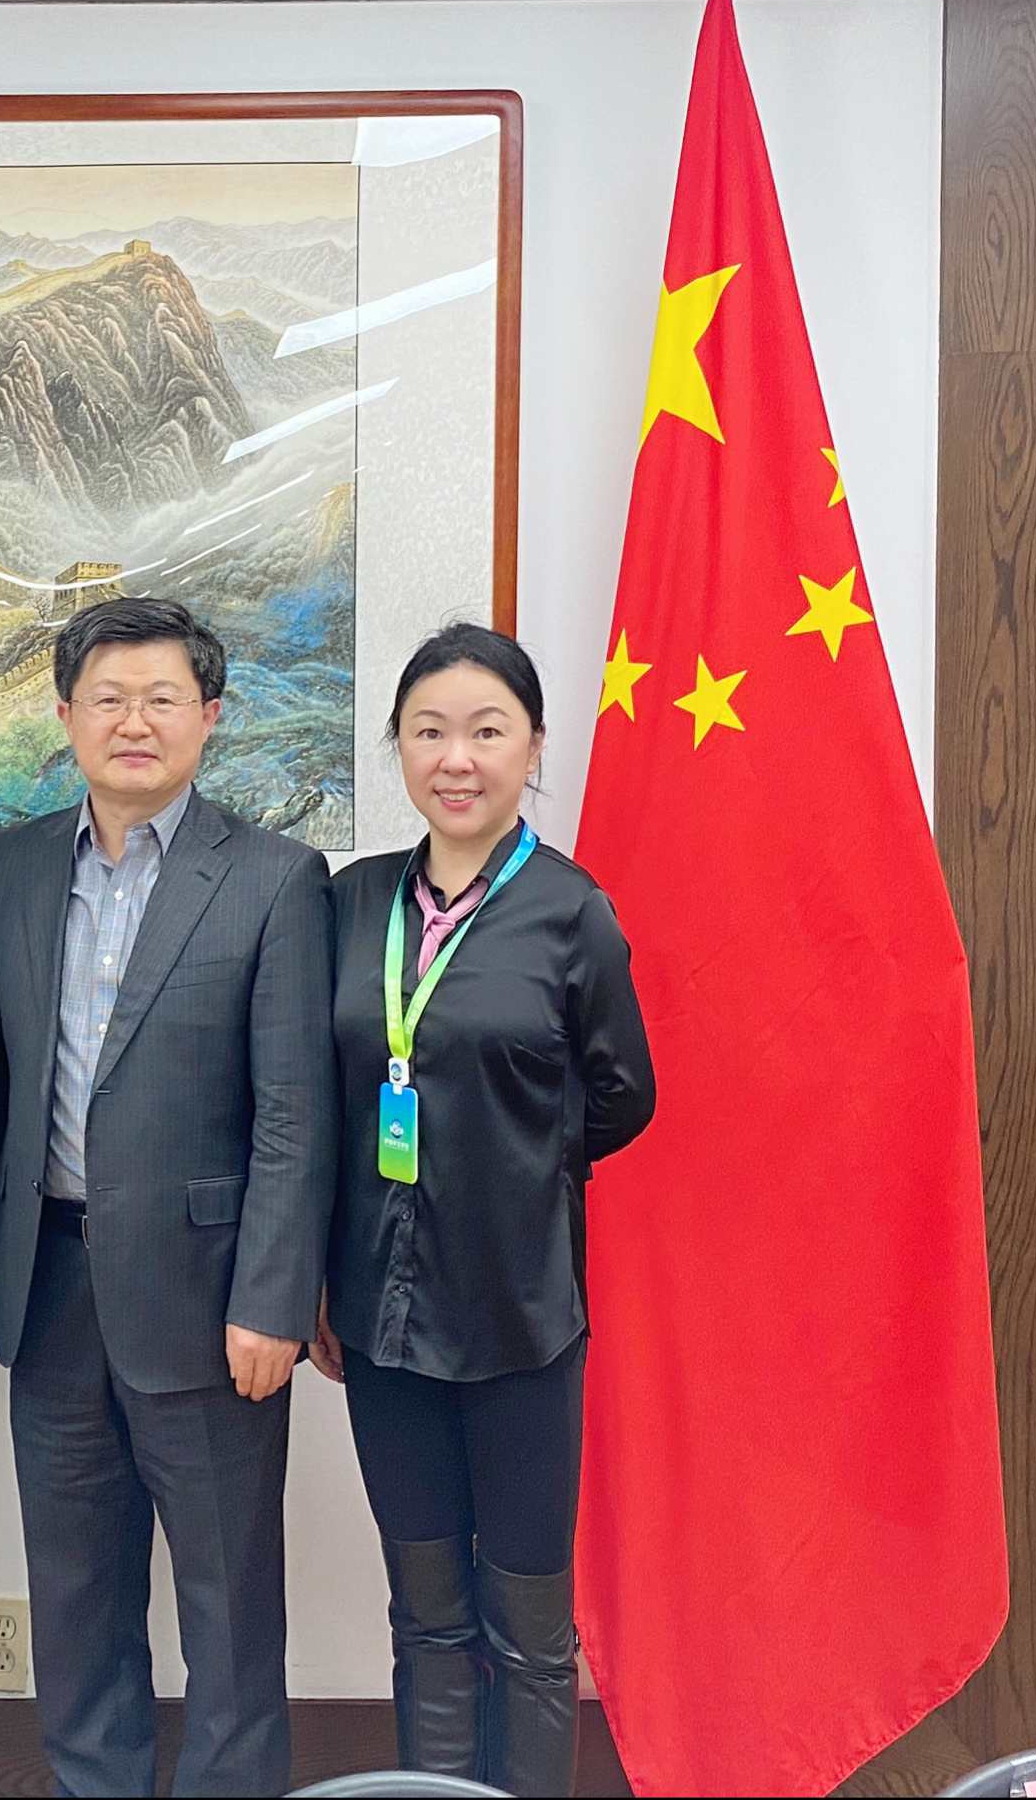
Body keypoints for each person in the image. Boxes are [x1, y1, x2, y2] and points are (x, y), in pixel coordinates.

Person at [0, 594, 337, 1798]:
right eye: (108, 699)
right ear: (65, 714)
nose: (134, 722)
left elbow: (293, 1112)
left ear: (208, 716)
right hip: (49, 1290)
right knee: (74, 1599)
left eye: (162, 698)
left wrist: (273, 1299)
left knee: (229, 1605)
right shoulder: (7, 867)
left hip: (210, 1300)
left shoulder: (275, 878)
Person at [307, 623, 655, 1797]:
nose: (456, 758)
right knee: (426, 1616)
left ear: (532, 747)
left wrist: (514, 1166)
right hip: (381, 1319)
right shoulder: (350, 903)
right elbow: (317, 1094)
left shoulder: (569, 910)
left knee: (526, 1630)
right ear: (399, 747)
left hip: (519, 1319)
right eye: (429, 732)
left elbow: (624, 1095)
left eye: (486, 731)